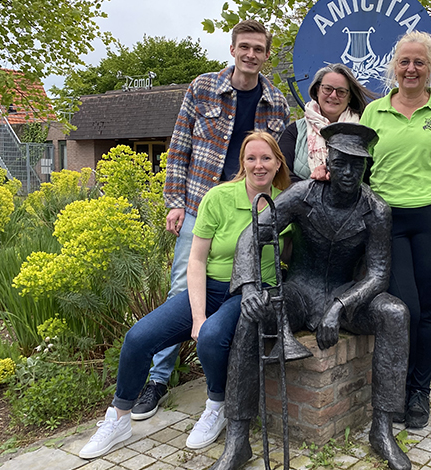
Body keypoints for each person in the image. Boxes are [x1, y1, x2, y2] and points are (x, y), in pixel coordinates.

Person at [79, 132, 292, 459]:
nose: (259, 165)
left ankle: (217, 405)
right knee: (138, 337)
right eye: (252, 158)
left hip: (250, 291)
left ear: (278, 162)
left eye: (266, 158)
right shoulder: (219, 197)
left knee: (211, 336)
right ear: (242, 163)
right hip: (208, 286)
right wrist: (196, 314)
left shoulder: (285, 204)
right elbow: (196, 259)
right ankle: (119, 418)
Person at [213, 123, 411, 470]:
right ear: (328, 162)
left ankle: (382, 429)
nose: (348, 172)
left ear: (367, 167)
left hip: (345, 295)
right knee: (252, 314)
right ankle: (237, 439)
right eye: (340, 163)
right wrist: (248, 288)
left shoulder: (377, 210)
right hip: (300, 291)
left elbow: (379, 273)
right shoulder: (302, 194)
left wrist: (341, 305)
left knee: (395, 313)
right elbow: (251, 236)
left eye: (357, 165)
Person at [135, 19, 290, 421]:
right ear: (233, 49)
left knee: (246, 290)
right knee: (183, 291)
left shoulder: (275, 100)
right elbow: (179, 146)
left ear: (266, 54)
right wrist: (173, 201)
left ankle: (222, 385)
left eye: (259, 49)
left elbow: (279, 156)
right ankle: (157, 379)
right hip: (202, 202)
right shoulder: (203, 87)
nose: (251, 54)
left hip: (252, 209)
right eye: (245, 47)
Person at [359, 31, 431, 429]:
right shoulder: (374, 112)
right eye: (404, 61)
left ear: (430, 68)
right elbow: (364, 169)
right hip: (390, 221)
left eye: (419, 62)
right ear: (395, 66)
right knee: (404, 309)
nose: (411, 69)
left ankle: (419, 393)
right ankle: (398, 388)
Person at [278, 63, 374, 181]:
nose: (333, 95)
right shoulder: (295, 131)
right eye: (327, 89)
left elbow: (373, 174)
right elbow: (282, 172)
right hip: (303, 199)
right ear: (317, 90)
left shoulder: (364, 131)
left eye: (341, 92)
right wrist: (316, 187)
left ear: (350, 97)